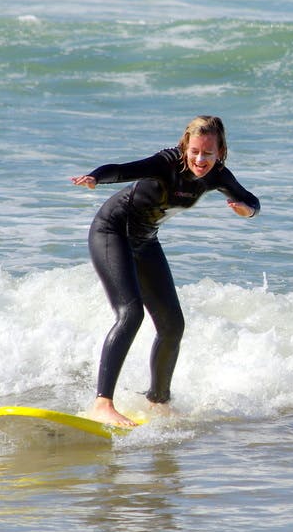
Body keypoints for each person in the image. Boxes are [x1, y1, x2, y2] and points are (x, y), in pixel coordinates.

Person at [72, 116, 260, 427]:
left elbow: (250, 199)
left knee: (172, 325)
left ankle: (158, 401)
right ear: (186, 146)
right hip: (112, 231)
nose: (201, 160)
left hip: (145, 240)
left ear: (220, 152)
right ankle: (102, 404)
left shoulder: (217, 176)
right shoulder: (166, 163)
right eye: (195, 151)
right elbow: (123, 170)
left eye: (208, 154)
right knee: (130, 314)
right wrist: (95, 177)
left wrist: (246, 210)